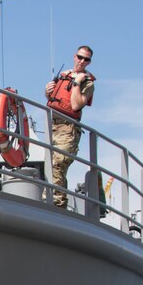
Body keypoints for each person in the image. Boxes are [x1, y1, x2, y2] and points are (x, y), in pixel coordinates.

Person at [45, 46, 95, 208]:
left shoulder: (87, 83)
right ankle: (52, 198)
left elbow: (75, 105)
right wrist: (48, 92)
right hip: (52, 126)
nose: (82, 61)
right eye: (80, 57)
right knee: (48, 164)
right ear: (74, 56)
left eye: (86, 59)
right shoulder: (64, 75)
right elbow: (53, 98)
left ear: (89, 62)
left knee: (58, 163)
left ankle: (56, 204)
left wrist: (76, 83)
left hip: (68, 130)